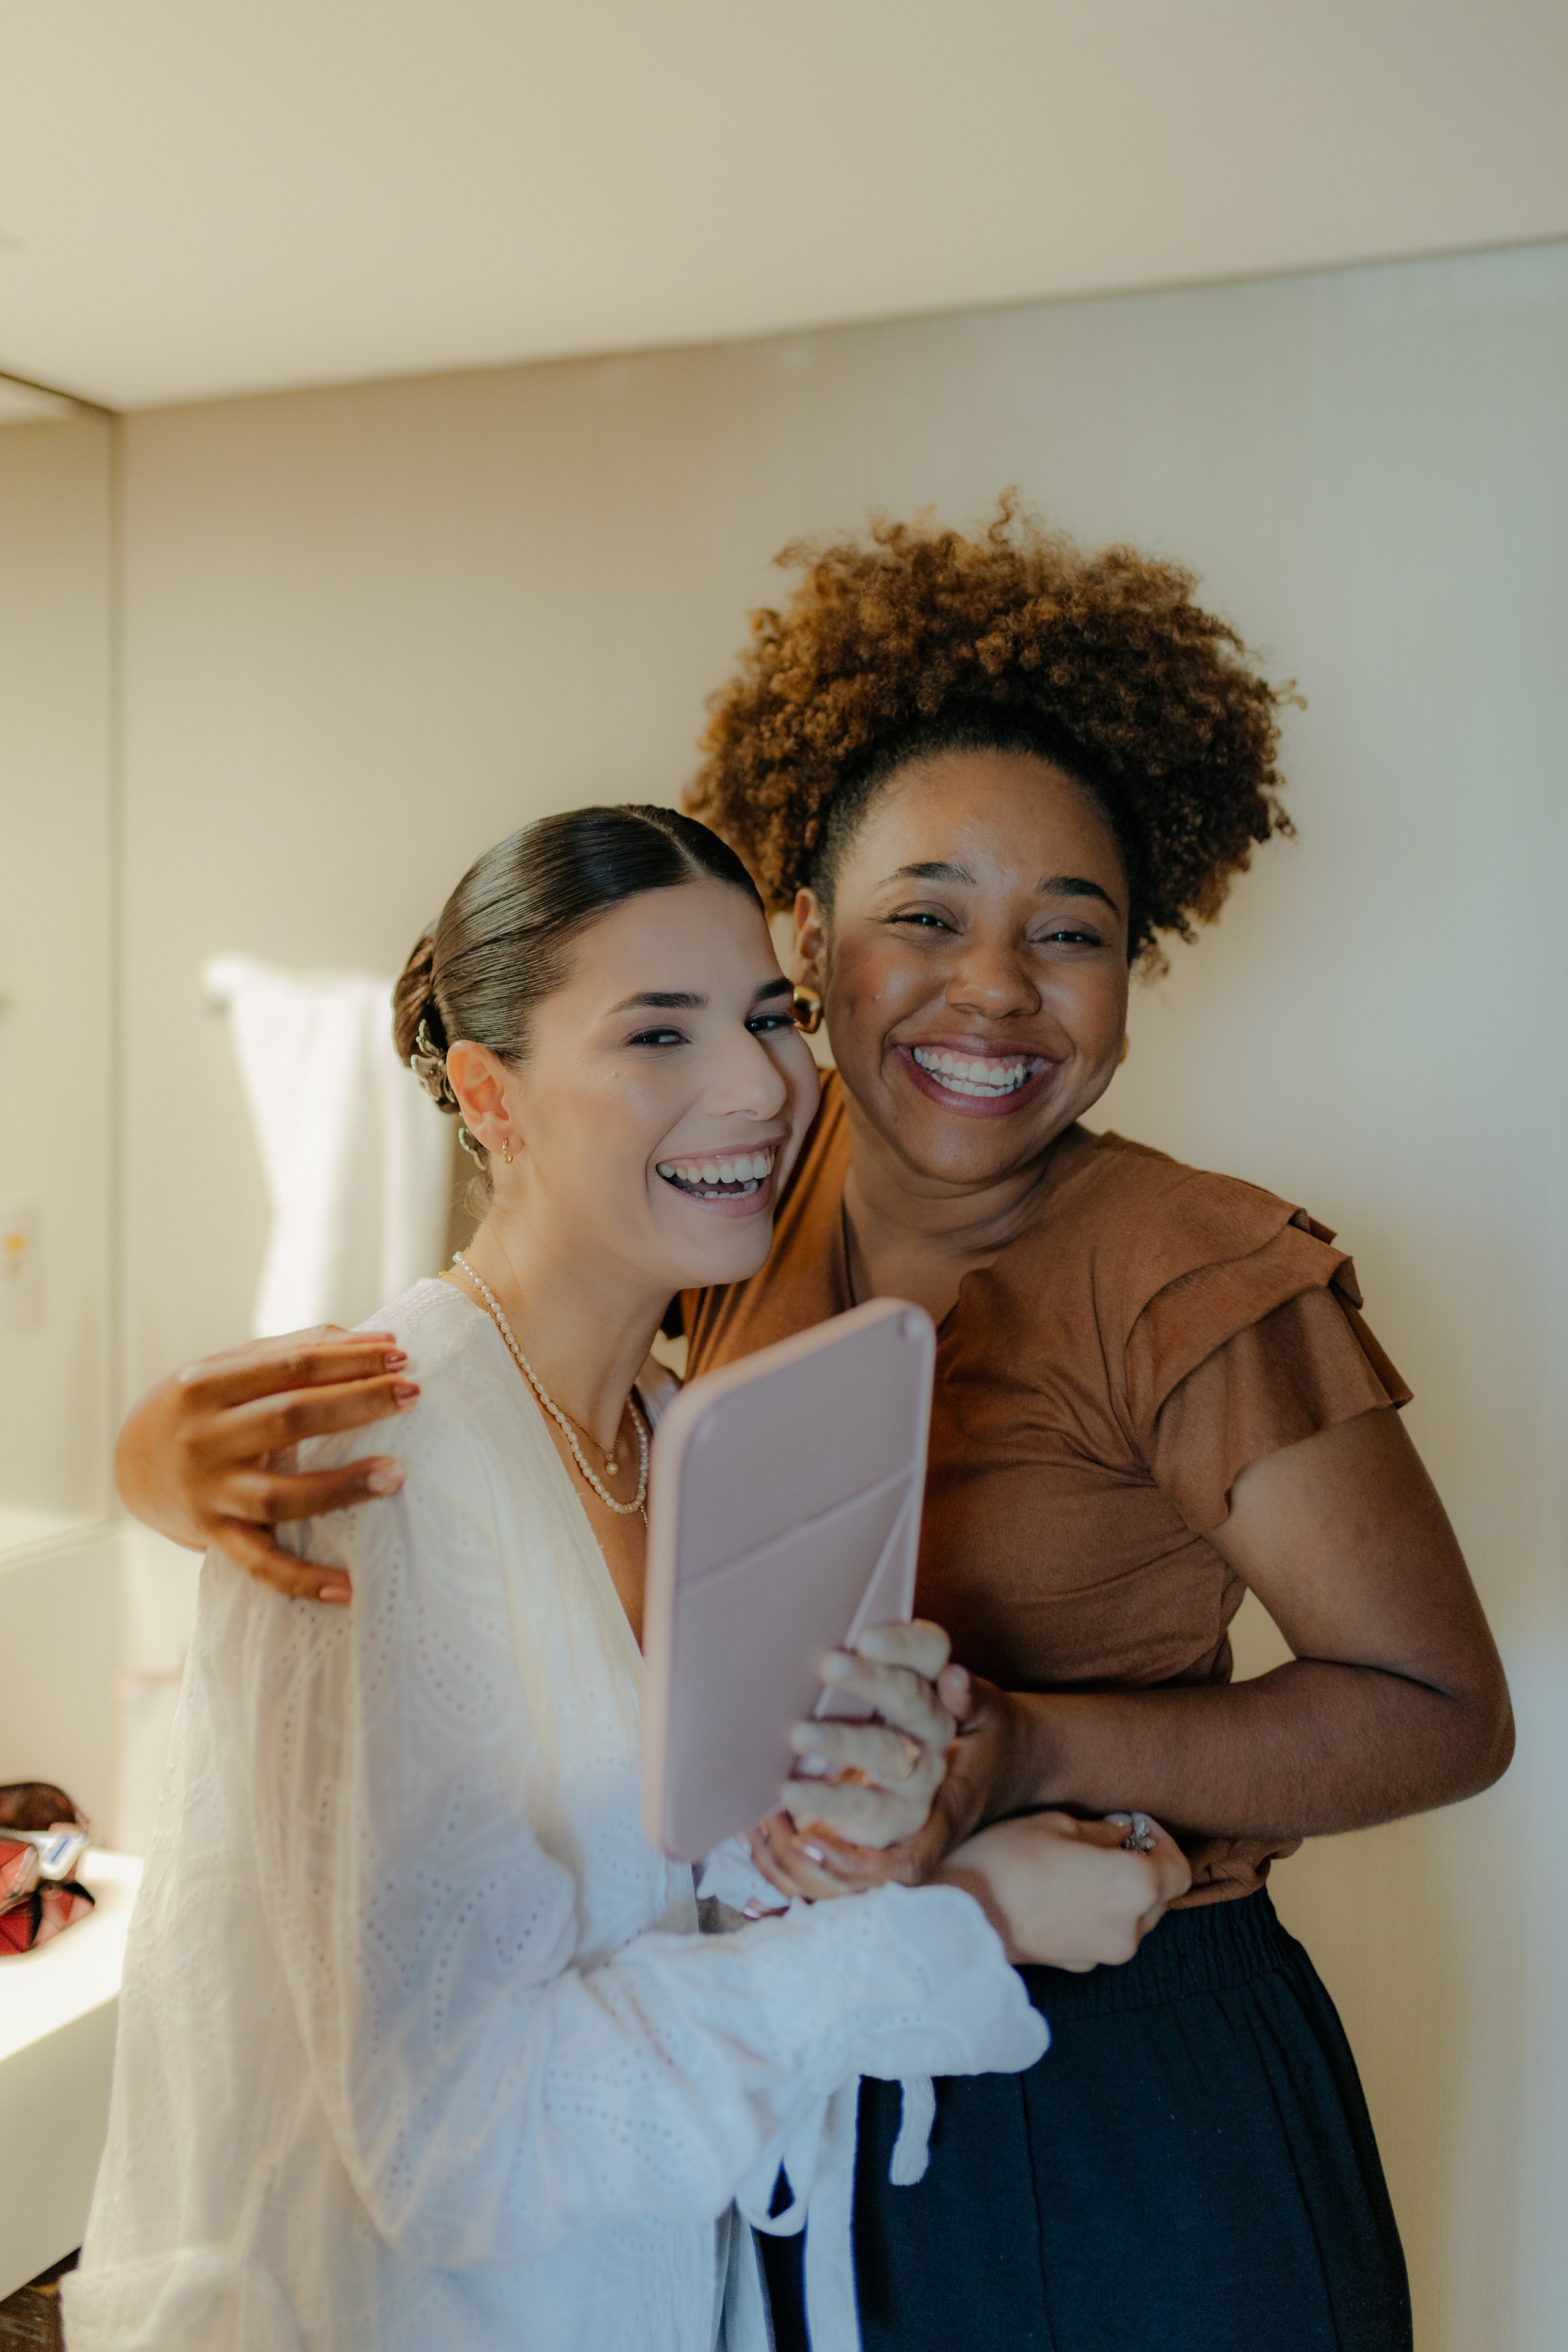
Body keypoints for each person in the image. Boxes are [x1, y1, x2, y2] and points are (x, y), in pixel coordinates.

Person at [113, 505, 1514, 2352]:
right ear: (820, 950)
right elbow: (485, 1429)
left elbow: (1443, 1709)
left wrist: (1011, 1761)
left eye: (1070, 932)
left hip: (1107, 2072)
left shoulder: (1189, 1271)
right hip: (792, 2105)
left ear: (1133, 969)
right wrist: (157, 1461)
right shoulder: (742, 1212)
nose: (993, 988)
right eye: (920, 919)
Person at [72, 803, 1185, 2352]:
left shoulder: (688, 1441)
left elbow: (660, 1917)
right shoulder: (369, 1473)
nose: (757, 1087)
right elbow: (450, 2146)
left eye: (768, 1017)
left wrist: (841, 1847)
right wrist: (965, 1924)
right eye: (656, 1035)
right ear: (489, 1096)